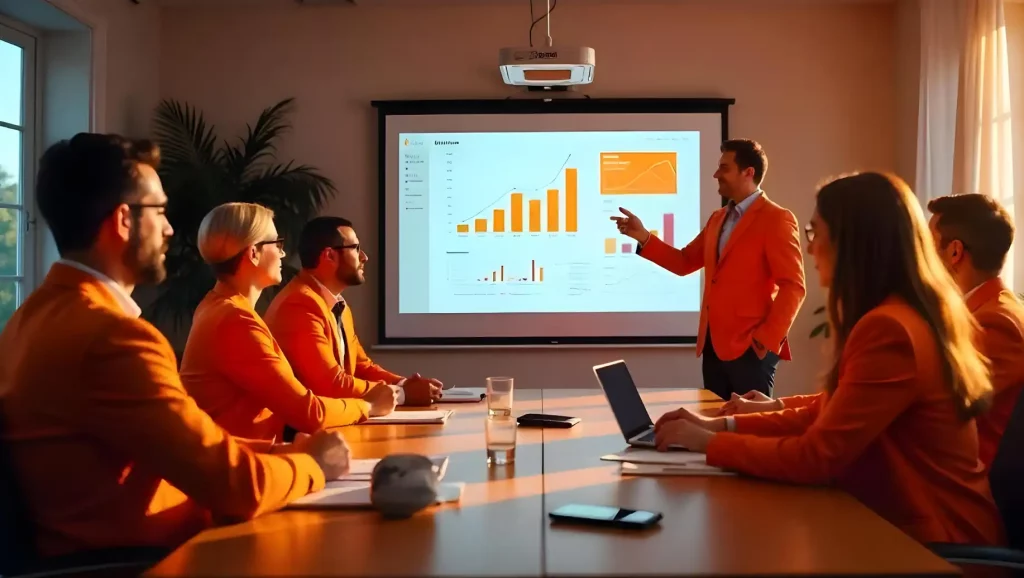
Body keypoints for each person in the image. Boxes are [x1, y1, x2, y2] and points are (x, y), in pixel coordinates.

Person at [0, 134, 348, 559]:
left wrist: (286, 451)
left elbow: (184, 445)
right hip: (152, 559)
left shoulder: (27, 320)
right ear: (123, 220)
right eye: (160, 212)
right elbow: (237, 488)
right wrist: (314, 465)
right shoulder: (113, 338)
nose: (169, 228)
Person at [653, 172, 1003, 546]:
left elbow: (817, 456)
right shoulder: (905, 314)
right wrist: (719, 426)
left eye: (814, 232)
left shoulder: (890, 328)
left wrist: (706, 443)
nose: (809, 249)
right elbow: (828, 414)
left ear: (851, 243)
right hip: (907, 530)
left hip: (940, 546)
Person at [720, 193, 1024, 471]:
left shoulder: (996, 323)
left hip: (942, 488)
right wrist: (775, 406)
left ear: (954, 252)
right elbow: (862, 396)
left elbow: (886, 411)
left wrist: (718, 437)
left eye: (925, 244)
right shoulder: (974, 311)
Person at [612, 139, 805, 399]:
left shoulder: (777, 219)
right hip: (713, 348)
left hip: (752, 349)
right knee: (714, 421)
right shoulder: (718, 218)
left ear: (748, 172)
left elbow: (793, 286)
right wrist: (643, 237)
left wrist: (766, 341)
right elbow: (683, 262)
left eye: (724, 168)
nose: (716, 174)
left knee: (750, 422)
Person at [180, 203, 382, 441]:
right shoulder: (235, 320)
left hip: (248, 452)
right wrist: (369, 406)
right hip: (240, 460)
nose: (283, 254)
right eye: (277, 244)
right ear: (253, 253)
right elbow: (309, 413)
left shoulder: (216, 306)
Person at [265, 216, 442, 407]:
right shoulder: (299, 305)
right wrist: (402, 394)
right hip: (303, 424)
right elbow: (329, 384)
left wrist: (403, 384)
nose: (364, 257)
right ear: (329, 255)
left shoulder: (336, 304)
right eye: (356, 248)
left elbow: (360, 367)